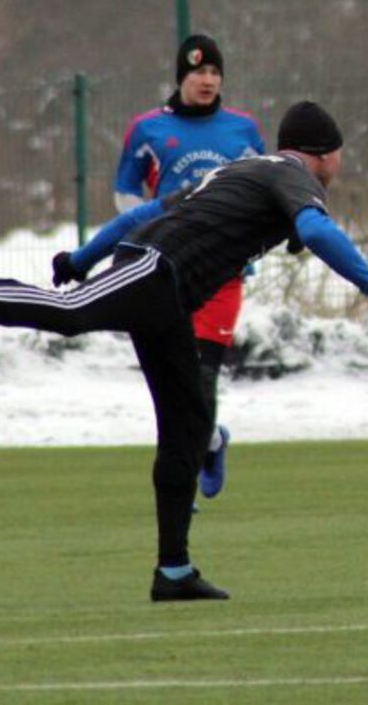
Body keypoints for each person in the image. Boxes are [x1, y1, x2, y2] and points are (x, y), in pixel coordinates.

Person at [0, 100, 368, 603]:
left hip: (167, 294)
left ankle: (174, 571)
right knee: (66, 313)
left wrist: (85, 254)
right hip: (155, 271)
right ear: (325, 153)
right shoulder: (291, 175)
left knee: (190, 420)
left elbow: (146, 212)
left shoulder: (240, 170)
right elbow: (317, 231)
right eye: (339, 155)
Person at [115, 34, 265, 500]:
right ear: (181, 76)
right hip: (164, 268)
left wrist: (253, 243)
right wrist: (136, 242)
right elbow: (126, 192)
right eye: (198, 72)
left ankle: (183, 476)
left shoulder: (243, 131)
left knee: (202, 374)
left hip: (222, 271)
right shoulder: (147, 130)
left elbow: (265, 191)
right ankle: (211, 440)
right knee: (173, 379)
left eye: (215, 73)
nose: (207, 80)